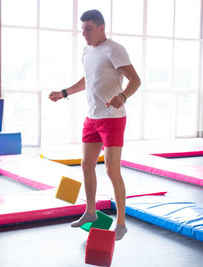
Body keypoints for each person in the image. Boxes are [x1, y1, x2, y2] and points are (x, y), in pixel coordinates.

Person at [48, 9, 140, 241]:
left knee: (111, 169)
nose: (84, 33)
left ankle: (121, 223)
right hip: (92, 117)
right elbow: (88, 80)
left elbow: (135, 80)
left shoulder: (114, 49)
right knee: (86, 165)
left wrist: (124, 96)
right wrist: (64, 92)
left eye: (88, 28)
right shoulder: (86, 51)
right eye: (82, 29)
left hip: (113, 118)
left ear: (101, 27)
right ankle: (90, 212)